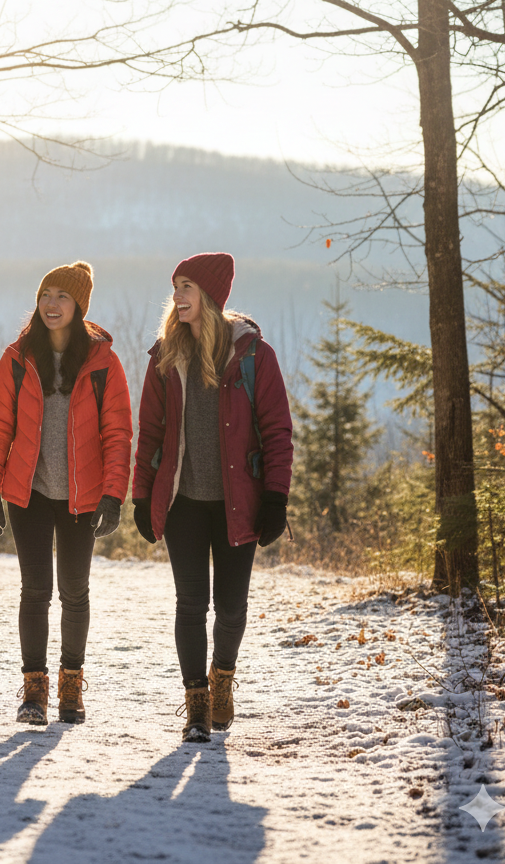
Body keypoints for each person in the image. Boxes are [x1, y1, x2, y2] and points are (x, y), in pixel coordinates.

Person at [131, 253, 293, 743]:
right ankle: (196, 701)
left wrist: (276, 496)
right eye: (175, 287)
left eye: (187, 288)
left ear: (212, 296)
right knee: (190, 603)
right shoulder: (167, 355)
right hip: (183, 501)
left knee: (232, 606)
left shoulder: (252, 357)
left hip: (237, 502)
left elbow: (277, 429)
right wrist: (142, 495)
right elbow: (150, 433)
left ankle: (223, 679)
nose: (177, 297)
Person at [0, 261, 132, 725]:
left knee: (75, 592)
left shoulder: (103, 362)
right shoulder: (18, 357)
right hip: (29, 493)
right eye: (46, 294)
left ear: (79, 305)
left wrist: (113, 495)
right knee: (35, 591)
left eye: (61, 296)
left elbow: (118, 433)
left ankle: (70, 685)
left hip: (82, 497)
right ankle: (33, 691)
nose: (51, 304)